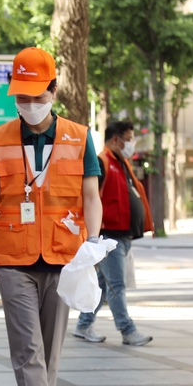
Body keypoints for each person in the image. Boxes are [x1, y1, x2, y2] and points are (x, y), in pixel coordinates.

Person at [0, 47, 103, 386]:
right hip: (12, 257)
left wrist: (93, 243)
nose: (28, 104)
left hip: (64, 256)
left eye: (36, 95)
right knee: (27, 346)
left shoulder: (80, 137)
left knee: (50, 349)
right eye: (20, 97)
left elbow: (91, 195)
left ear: (53, 90)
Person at [73, 120, 153, 347]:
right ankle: (128, 330)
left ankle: (83, 324)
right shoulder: (102, 161)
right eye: (129, 138)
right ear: (116, 139)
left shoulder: (122, 162)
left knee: (104, 286)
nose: (132, 143)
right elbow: (90, 197)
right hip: (109, 236)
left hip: (123, 236)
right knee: (117, 285)